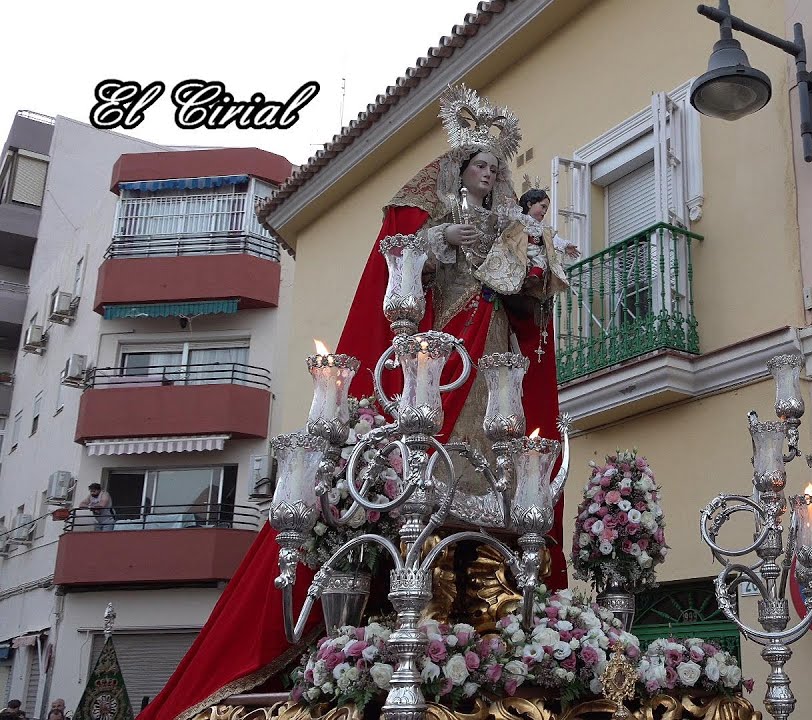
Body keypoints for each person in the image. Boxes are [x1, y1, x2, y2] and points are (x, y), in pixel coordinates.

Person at [137, 84, 569, 720]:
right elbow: (407, 257)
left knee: (493, 467)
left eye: (496, 170)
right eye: (481, 165)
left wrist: (533, 276)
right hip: (445, 356)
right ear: (459, 169)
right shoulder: (440, 215)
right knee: (428, 466)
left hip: (494, 352)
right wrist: (440, 243)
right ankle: (401, 589)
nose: (490, 176)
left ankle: (491, 572)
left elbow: (530, 290)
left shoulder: (510, 226)